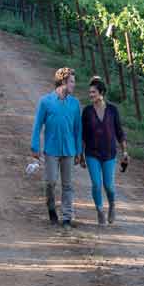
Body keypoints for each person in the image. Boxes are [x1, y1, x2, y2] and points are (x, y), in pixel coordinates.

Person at [31, 67, 83, 229]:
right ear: (63, 82)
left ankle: (67, 216)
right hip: (51, 149)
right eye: (72, 82)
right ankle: (51, 208)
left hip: (69, 150)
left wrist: (79, 151)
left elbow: (78, 129)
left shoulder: (75, 104)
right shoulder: (45, 102)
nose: (74, 85)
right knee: (51, 182)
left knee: (68, 185)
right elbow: (37, 125)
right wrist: (35, 147)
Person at [81, 76, 128, 225]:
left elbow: (119, 132)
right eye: (90, 92)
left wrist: (125, 152)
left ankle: (112, 205)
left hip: (109, 154)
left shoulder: (113, 110)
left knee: (108, 185)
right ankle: (100, 211)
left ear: (101, 93)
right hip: (91, 153)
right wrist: (80, 154)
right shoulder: (87, 111)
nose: (91, 95)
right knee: (96, 183)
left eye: (93, 92)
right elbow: (83, 134)